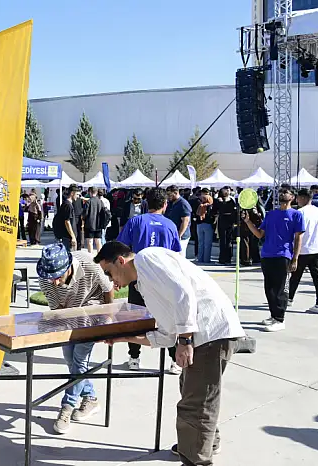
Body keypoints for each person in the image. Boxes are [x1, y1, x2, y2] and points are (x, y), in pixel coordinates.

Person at [94, 242, 245, 466]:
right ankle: (205, 443)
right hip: (206, 335)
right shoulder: (144, 283)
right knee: (194, 392)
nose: (111, 281)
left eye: (109, 273)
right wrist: (124, 338)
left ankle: (196, 458)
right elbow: (165, 336)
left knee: (195, 404)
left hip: (210, 332)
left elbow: (182, 293)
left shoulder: (147, 258)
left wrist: (185, 340)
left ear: (121, 261)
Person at [36, 244, 114, 435]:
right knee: (71, 360)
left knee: (79, 361)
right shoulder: (46, 278)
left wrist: (108, 317)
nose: (54, 282)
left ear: (69, 266)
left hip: (92, 310)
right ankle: (91, 398)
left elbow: (108, 288)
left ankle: (67, 407)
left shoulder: (89, 264)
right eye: (50, 278)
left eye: (58, 276)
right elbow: (58, 310)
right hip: (69, 315)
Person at [117, 187, 182, 374]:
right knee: (167, 319)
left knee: (136, 318)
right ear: (165, 204)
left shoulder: (136, 221)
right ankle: (175, 360)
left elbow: (121, 247)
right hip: (163, 280)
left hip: (139, 277)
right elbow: (176, 254)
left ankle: (134, 358)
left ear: (146, 203)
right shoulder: (170, 225)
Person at [243, 187, 304, 332]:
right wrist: (248, 221)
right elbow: (259, 234)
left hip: (283, 255)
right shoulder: (271, 214)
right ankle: (273, 315)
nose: (282, 194)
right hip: (267, 254)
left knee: (280, 289)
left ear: (292, 197)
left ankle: (280, 319)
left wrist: (295, 258)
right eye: (281, 192)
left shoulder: (296, 215)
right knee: (269, 288)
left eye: (286, 192)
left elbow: (298, 238)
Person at [288, 189, 318, 315]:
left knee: (295, 276)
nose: (297, 200)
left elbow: (293, 232)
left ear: (303, 198)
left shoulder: (299, 213)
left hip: (302, 249)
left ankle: (289, 298)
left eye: (298, 198)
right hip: (317, 248)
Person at [165, 185, 192, 258]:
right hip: (172, 234)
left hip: (181, 236)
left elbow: (185, 221)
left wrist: (179, 235)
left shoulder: (183, 204)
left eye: (169, 194)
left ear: (176, 193)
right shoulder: (171, 203)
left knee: (179, 257)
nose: (168, 197)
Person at [212, 187, 236, 265]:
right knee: (224, 240)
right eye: (226, 190)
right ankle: (223, 258)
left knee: (228, 240)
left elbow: (234, 210)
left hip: (228, 221)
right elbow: (214, 211)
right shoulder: (220, 200)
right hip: (223, 221)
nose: (227, 192)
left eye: (228, 190)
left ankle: (227, 258)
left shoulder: (231, 200)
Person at [52, 185, 80, 251]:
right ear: (72, 193)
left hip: (67, 236)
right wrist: (73, 236)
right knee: (69, 254)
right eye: (77, 194)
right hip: (67, 237)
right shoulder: (68, 205)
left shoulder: (67, 204)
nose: (78, 196)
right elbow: (67, 222)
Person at [238, 196, 264, 266]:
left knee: (249, 242)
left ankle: (248, 259)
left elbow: (260, 215)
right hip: (250, 226)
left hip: (250, 225)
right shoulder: (251, 205)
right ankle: (250, 259)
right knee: (249, 242)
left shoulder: (246, 205)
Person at [196, 189, 215, 264]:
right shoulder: (210, 206)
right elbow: (212, 215)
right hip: (208, 224)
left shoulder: (199, 204)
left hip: (199, 224)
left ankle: (200, 258)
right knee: (207, 243)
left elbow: (196, 214)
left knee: (200, 243)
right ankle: (206, 259)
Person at [84, 187, 104, 253]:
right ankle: (99, 255)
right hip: (98, 224)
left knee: (90, 241)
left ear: (90, 192)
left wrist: (83, 218)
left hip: (89, 224)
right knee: (98, 241)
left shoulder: (88, 201)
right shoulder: (100, 201)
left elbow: (85, 213)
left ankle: (90, 255)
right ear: (96, 192)